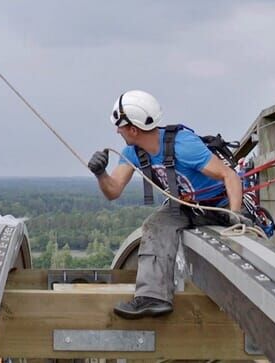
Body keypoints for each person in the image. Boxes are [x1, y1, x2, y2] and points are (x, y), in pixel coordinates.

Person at [88, 90, 252, 319]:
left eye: (120, 126)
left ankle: (244, 300)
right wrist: (100, 174)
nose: (117, 131)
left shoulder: (184, 146)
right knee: (156, 225)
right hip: (187, 207)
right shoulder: (133, 153)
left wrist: (235, 214)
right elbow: (113, 191)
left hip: (219, 205)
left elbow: (229, 176)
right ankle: (153, 298)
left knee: (237, 245)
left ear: (133, 129)